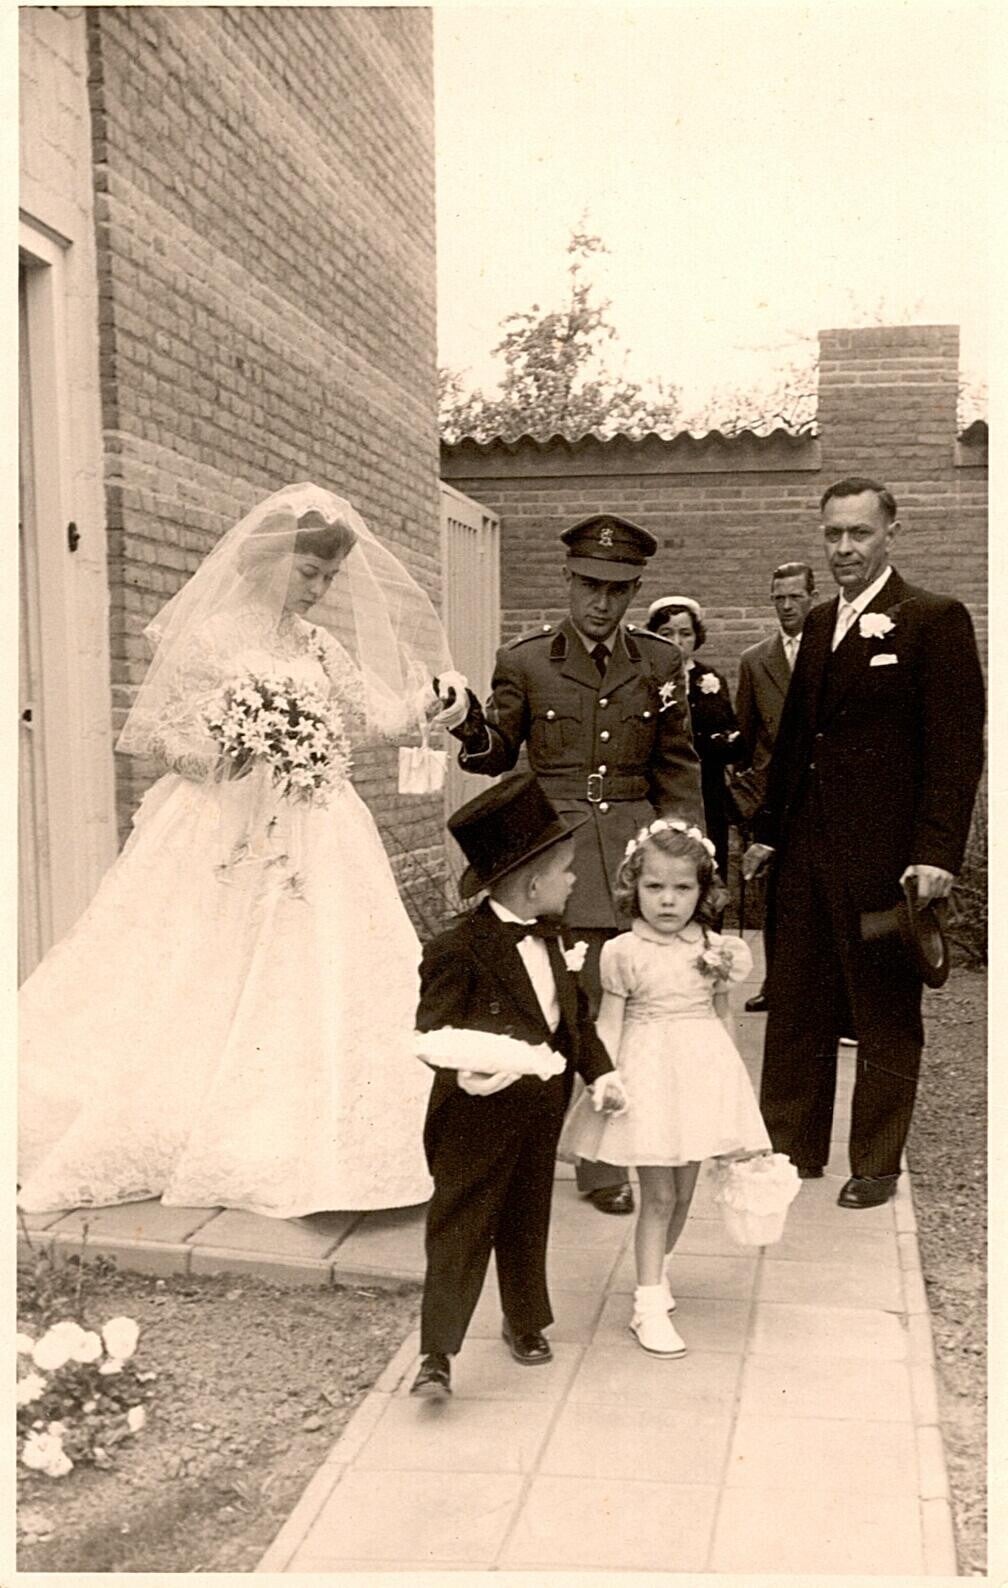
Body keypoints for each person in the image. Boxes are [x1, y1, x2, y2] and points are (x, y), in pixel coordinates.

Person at [18, 483, 455, 1218]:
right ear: (268, 558)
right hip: (220, 824)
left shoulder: (316, 644)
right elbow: (158, 734)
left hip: (315, 826)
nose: (317, 590)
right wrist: (224, 756)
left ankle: (307, 1137)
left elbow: (372, 718)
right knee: (199, 964)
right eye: (308, 572)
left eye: (328, 578)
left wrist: (428, 704)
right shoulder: (210, 637)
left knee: (313, 969)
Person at [445, 513, 704, 1217]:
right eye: (590, 585)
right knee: (555, 1005)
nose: (601, 602)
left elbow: (677, 767)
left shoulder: (659, 662)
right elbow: (497, 752)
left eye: (617, 590)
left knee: (621, 1010)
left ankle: (601, 1163)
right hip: (553, 852)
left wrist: (687, 860)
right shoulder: (527, 660)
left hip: (631, 851)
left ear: (635, 591)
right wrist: (466, 721)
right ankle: (527, 1151)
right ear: (567, 580)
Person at [743, 478, 985, 1208]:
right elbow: (795, 742)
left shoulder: (932, 620)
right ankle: (791, 1149)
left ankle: (876, 1164)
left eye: (859, 533)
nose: (844, 548)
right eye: (833, 534)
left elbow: (955, 750)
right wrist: (766, 834)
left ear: (890, 534)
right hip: (806, 854)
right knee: (795, 1005)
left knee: (884, 1013)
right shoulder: (820, 623)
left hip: (887, 862)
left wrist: (936, 852)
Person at [410, 774, 627, 1399]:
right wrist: (465, 1070)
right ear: (533, 885)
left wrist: (602, 1073)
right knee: (460, 1226)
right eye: (566, 871)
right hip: (473, 1116)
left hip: (538, 1108)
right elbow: (432, 1032)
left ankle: (525, 1320)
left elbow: (574, 1023)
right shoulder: (458, 948)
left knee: (527, 1217)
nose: (574, 881)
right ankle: (436, 1353)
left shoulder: (557, 938)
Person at [560, 819, 769, 1357]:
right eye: (654, 887)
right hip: (648, 1077)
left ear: (703, 891)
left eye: (682, 887)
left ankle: (659, 1272)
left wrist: (731, 1089)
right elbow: (609, 1023)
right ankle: (647, 1306)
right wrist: (603, 1078)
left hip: (700, 1075)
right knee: (659, 1195)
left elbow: (722, 1017)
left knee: (684, 1194)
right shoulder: (623, 951)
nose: (668, 900)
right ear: (634, 886)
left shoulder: (717, 948)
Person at [730, 562, 817, 1013]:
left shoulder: (831, 650)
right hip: (772, 795)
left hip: (820, 788)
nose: (786, 606)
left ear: (812, 597)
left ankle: (827, 991)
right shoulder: (756, 659)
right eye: (778, 598)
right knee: (775, 893)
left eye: (795, 597)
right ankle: (776, 983)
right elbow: (745, 736)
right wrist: (748, 797)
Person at [645, 595, 746, 884]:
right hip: (660, 790)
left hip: (707, 790)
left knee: (707, 865)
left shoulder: (709, 679)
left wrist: (719, 742)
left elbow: (729, 732)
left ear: (696, 636)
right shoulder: (647, 679)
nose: (677, 642)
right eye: (667, 634)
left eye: (685, 633)